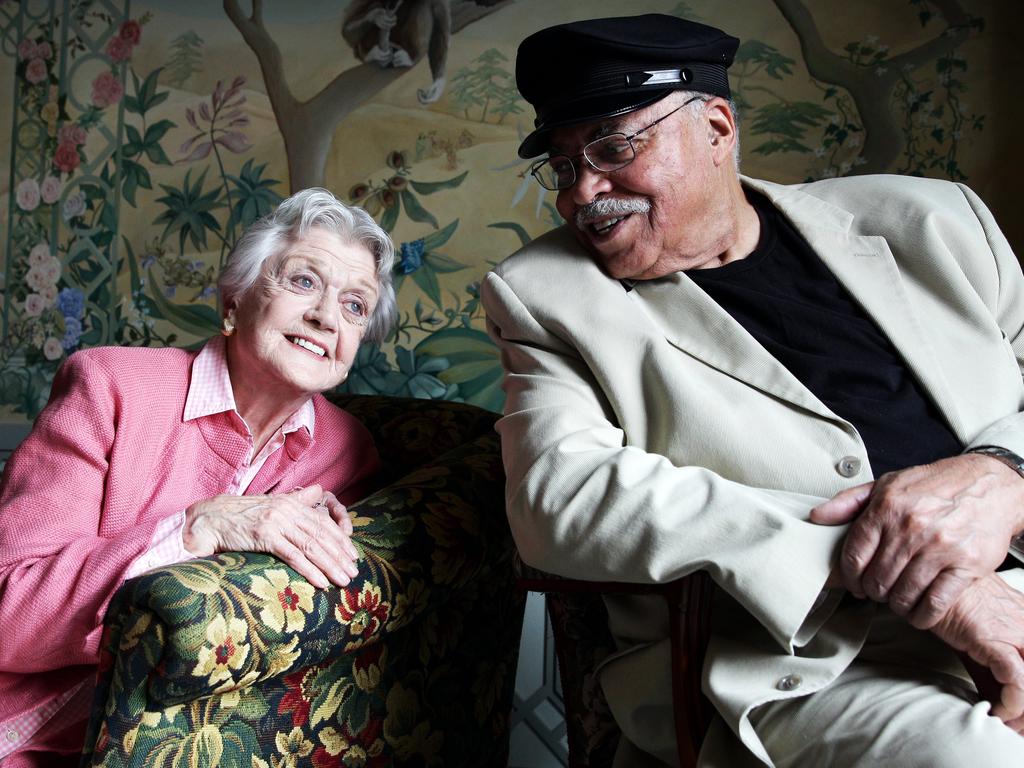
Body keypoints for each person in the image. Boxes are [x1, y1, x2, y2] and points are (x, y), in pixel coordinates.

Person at [481, 13, 1024, 768]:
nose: (584, 194)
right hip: (809, 668)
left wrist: (1004, 475)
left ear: (716, 127)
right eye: (566, 166)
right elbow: (558, 499)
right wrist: (916, 572)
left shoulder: (935, 223)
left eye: (612, 148)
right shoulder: (546, 294)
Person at [0, 187, 397, 767]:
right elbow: (8, 609)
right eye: (304, 281)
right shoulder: (109, 389)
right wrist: (190, 530)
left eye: (355, 305)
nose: (325, 316)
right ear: (234, 301)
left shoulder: (347, 453)